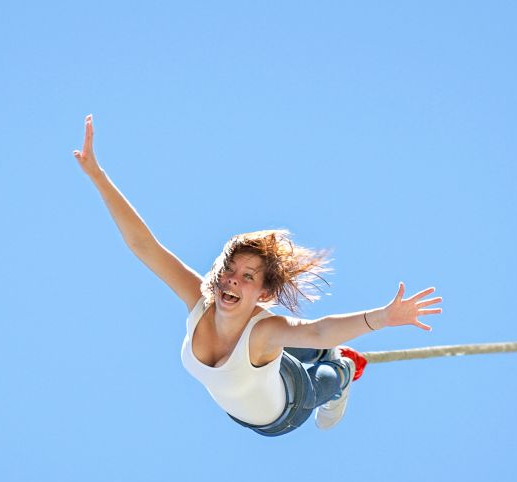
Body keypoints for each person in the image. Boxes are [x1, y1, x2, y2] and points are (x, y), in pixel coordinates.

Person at [73, 115, 442, 436]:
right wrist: (97, 175)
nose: (233, 279)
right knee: (287, 341)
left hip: (289, 406)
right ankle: (321, 355)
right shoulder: (200, 299)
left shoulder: (263, 329)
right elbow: (144, 246)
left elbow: (320, 328)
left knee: (324, 364)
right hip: (260, 375)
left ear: (263, 294)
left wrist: (383, 318)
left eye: (248, 276)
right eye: (229, 271)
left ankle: (341, 369)